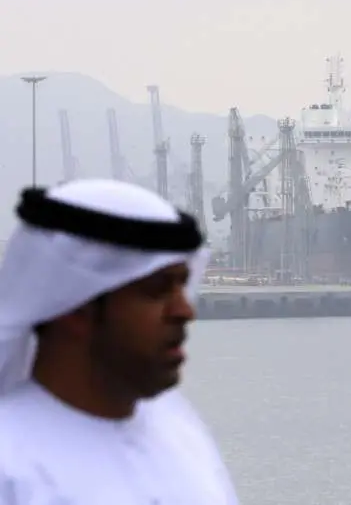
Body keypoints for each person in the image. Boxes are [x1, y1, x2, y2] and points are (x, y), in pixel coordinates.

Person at [0, 179, 239, 503]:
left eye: (183, 286)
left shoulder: (179, 433)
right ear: (74, 308)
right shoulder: (11, 466)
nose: (184, 311)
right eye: (156, 290)